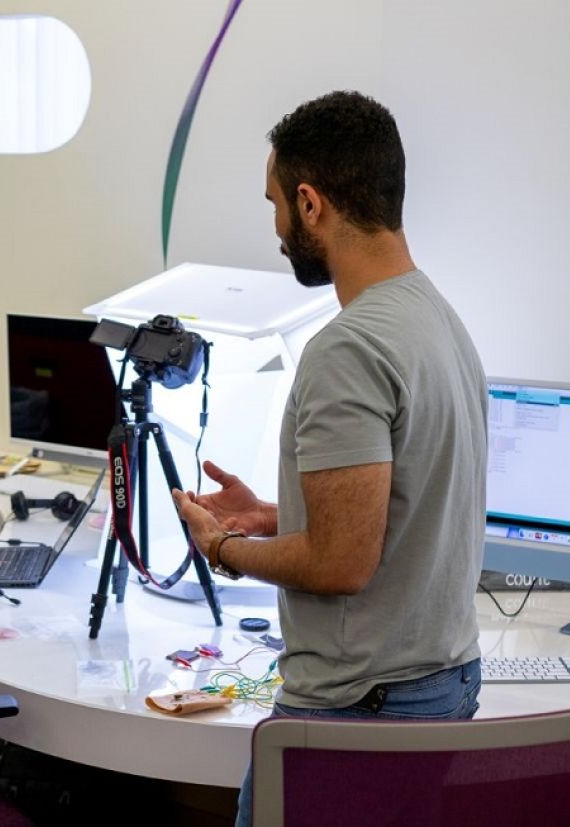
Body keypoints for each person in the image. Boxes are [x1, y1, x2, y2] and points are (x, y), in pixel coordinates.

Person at [172, 91, 487, 826]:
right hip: (440, 688)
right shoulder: (437, 318)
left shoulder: (347, 349)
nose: (277, 229)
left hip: (361, 710)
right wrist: (274, 514)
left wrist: (223, 546)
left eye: (277, 205)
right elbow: (403, 509)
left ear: (311, 204)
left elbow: (342, 563)